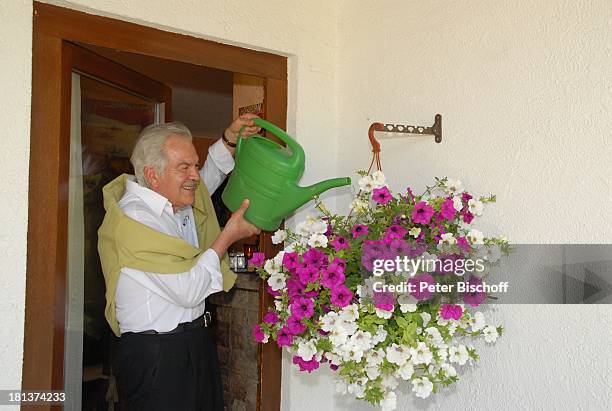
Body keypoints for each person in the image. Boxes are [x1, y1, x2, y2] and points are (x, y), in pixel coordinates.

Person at [97, 114, 261, 411]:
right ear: (153, 174)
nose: (195, 175)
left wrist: (229, 140)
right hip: (159, 357)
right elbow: (188, 291)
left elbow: (204, 182)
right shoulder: (135, 220)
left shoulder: (168, 203)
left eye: (194, 164)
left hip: (193, 345)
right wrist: (227, 237)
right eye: (183, 167)